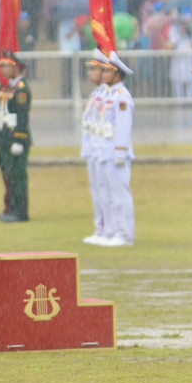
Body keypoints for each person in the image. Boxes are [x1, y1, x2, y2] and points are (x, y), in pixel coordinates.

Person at [95, 51, 135, 246]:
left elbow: (123, 125)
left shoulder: (121, 96)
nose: (103, 75)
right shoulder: (109, 94)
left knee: (120, 194)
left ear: (117, 74)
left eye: (107, 72)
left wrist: (120, 151)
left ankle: (125, 233)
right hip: (106, 149)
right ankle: (114, 230)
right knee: (108, 193)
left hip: (116, 152)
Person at [0, 52, 31, 222]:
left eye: (6, 66)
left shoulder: (21, 89)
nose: (2, 69)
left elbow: (22, 116)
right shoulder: (5, 87)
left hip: (16, 140)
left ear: (15, 67)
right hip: (4, 139)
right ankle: (10, 208)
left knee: (18, 177)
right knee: (8, 176)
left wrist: (18, 140)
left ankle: (20, 212)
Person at [81, 50, 111, 245]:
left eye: (94, 69)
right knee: (97, 192)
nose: (90, 73)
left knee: (109, 192)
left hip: (105, 149)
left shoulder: (113, 95)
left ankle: (112, 230)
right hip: (94, 149)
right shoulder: (97, 94)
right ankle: (101, 228)